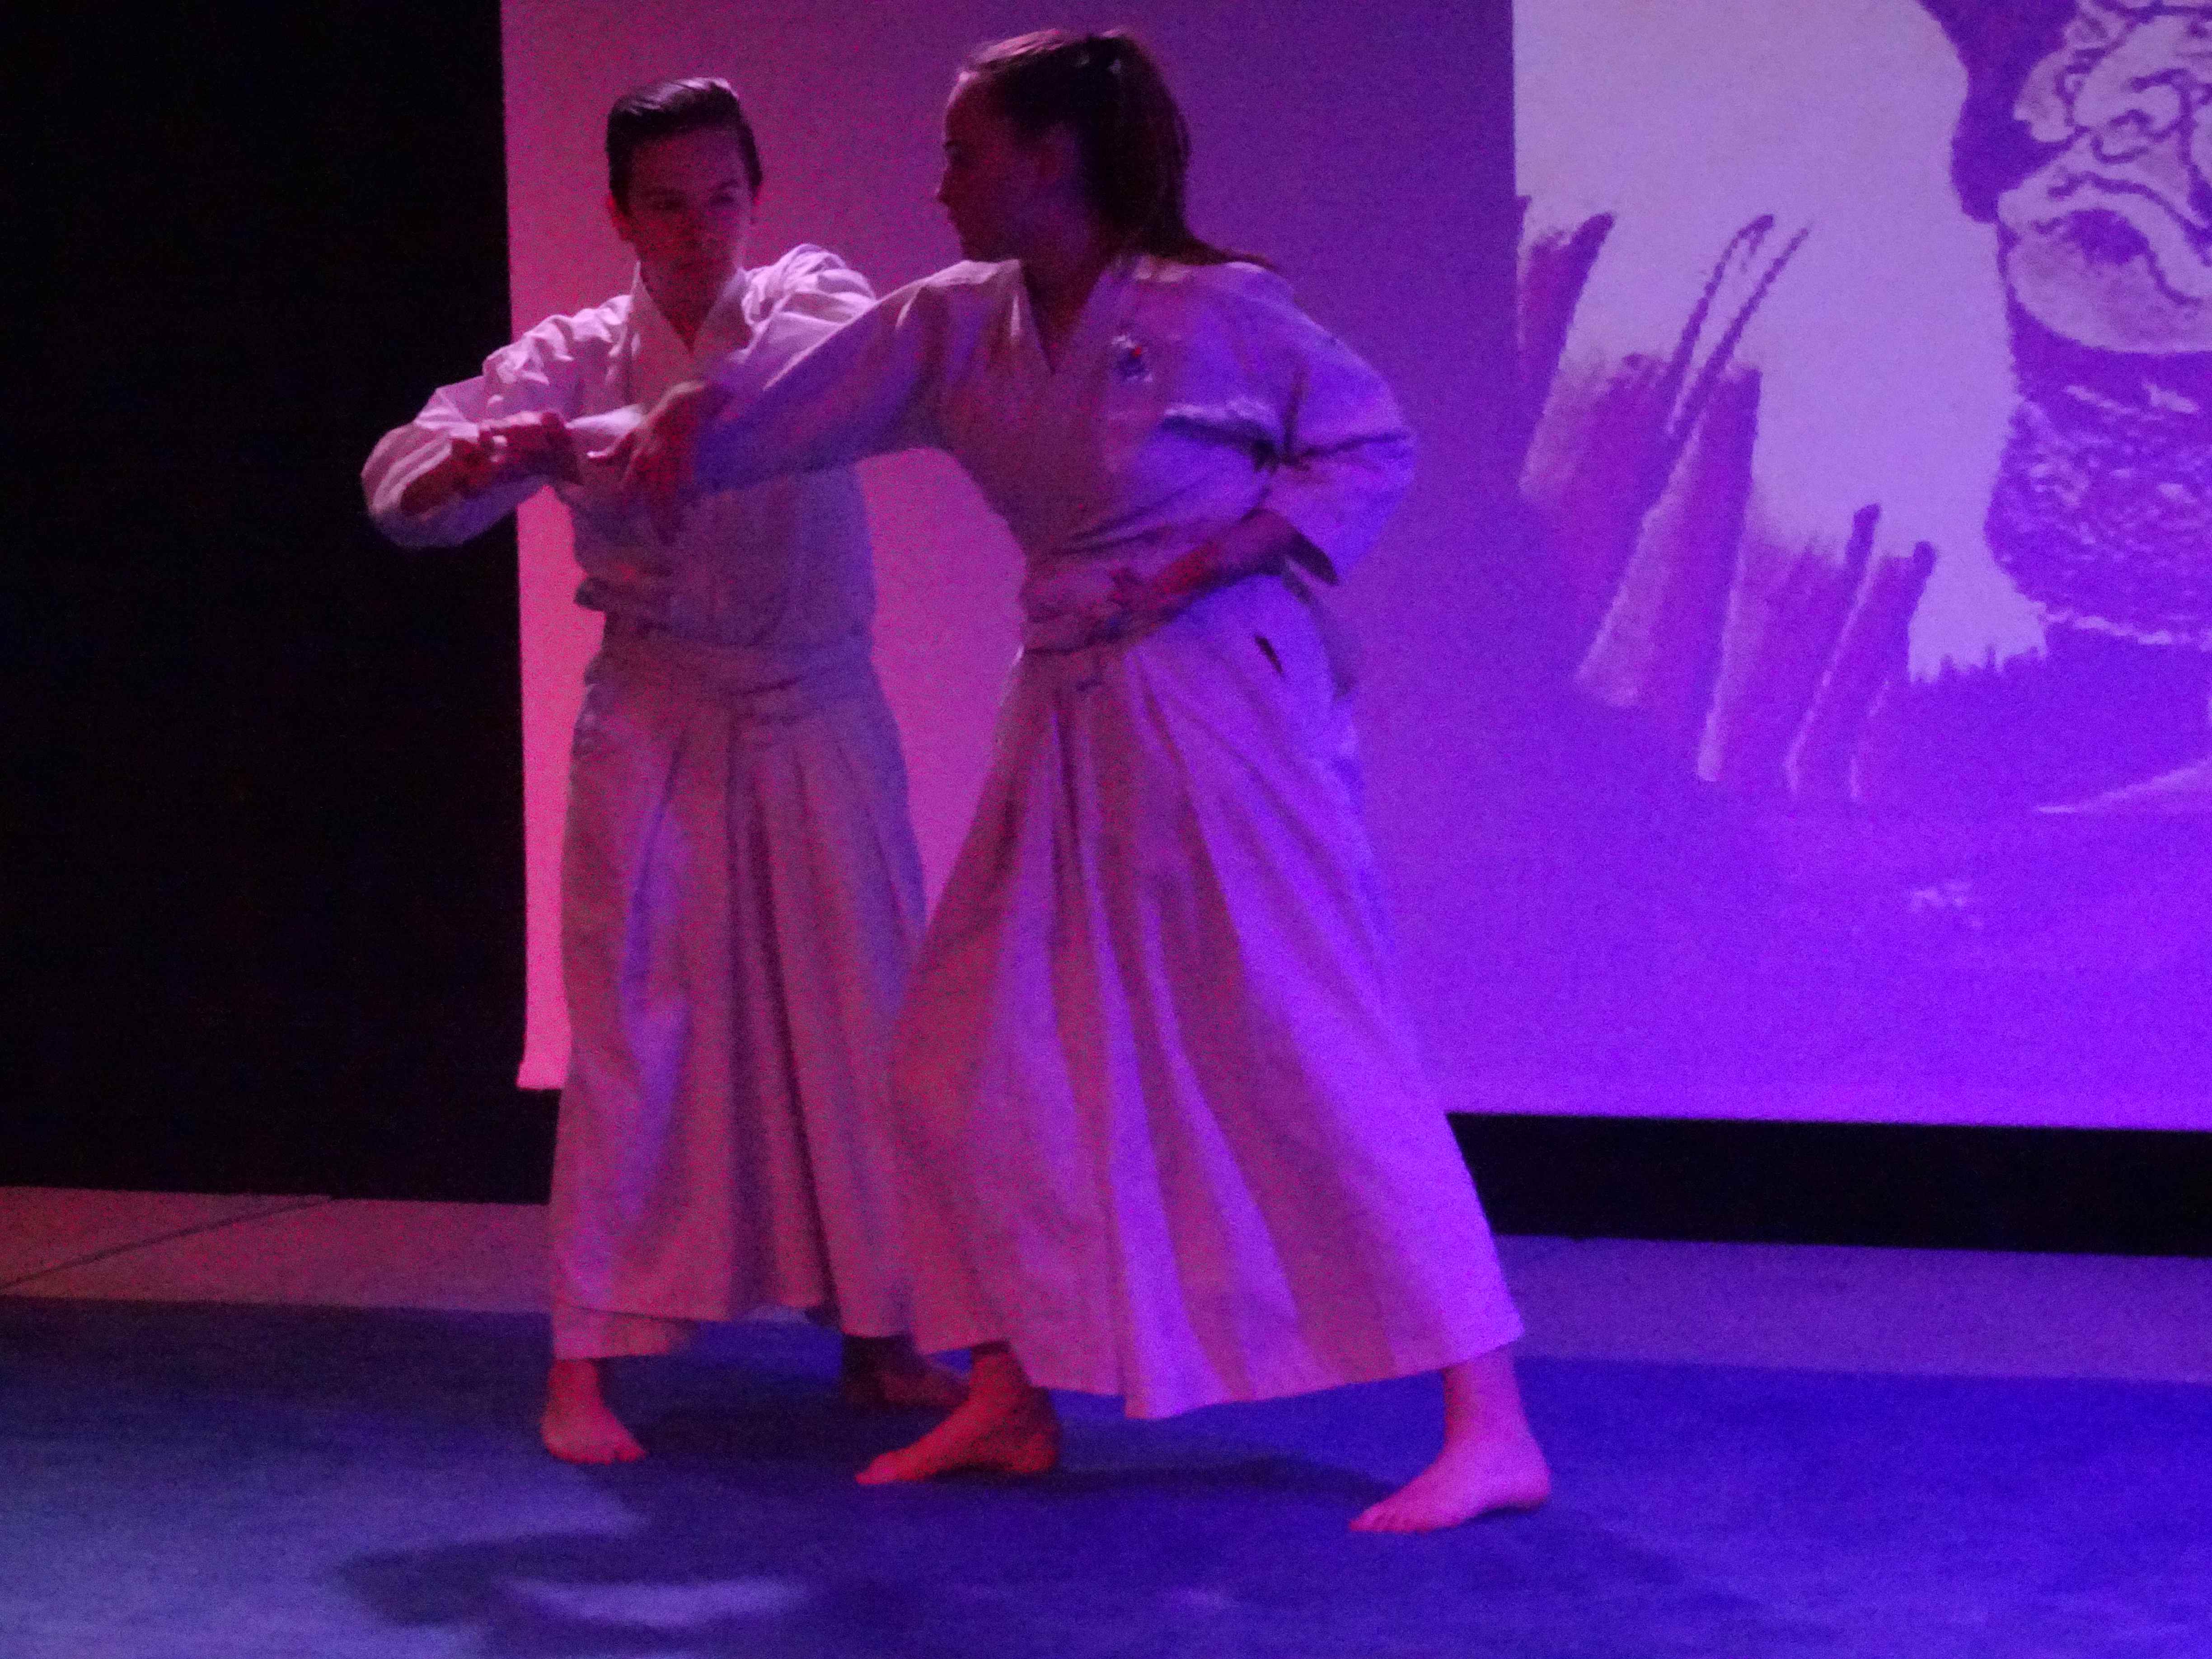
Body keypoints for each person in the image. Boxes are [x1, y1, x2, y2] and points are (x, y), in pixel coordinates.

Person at [594, 32, 1550, 1532]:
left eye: (966, 153)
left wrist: (1212, 555)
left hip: (1222, 696)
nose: (942, 183)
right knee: (955, 1053)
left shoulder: (1216, 311)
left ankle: (1491, 1422)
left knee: (1304, 1032)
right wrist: (666, 419)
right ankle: (1007, 1387)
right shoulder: (961, 323)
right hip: (1070, 697)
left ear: (1052, 163)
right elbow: (788, 398)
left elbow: (1367, 443)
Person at [361, 77, 959, 1465]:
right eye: (670, 206)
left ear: (757, 196)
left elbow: (827, 366)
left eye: (724, 199)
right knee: (636, 1029)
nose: (701, 230)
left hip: (816, 708)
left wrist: (684, 409)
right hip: (658, 709)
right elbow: (404, 479)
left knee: (864, 1018)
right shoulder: (576, 351)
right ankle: (582, 1365)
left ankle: (883, 1334)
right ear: (622, 213)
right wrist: (472, 468)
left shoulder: (806, 294)